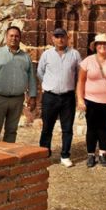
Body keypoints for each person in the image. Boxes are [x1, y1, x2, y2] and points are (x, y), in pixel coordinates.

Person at [77, 33, 106, 168]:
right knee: (91, 129)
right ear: (95, 46)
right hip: (90, 101)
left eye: (105, 44)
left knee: (104, 129)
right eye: (99, 44)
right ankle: (91, 154)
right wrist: (80, 99)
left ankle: (103, 153)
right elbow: (80, 81)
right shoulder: (87, 61)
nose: (102, 46)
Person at [38, 28, 82, 167]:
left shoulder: (75, 54)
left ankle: (65, 155)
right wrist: (49, 85)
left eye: (62, 36)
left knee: (67, 128)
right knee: (47, 127)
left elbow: (80, 74)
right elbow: (40, 72)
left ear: (67, 38)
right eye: (56, 37)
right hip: (50, 96)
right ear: (53, 39)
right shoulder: (46, 55)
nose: (60, 39)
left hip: (67, 97)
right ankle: (44, 154)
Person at [0, 26, 37, 143]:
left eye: (17, 36)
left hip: (17, 100)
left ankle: (6, 158)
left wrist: (33, 96)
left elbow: (31, 78)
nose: (14, 38)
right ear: (6, 37)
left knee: (11, 131)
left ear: (20, 38)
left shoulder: (26, 57)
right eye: (11, 36)